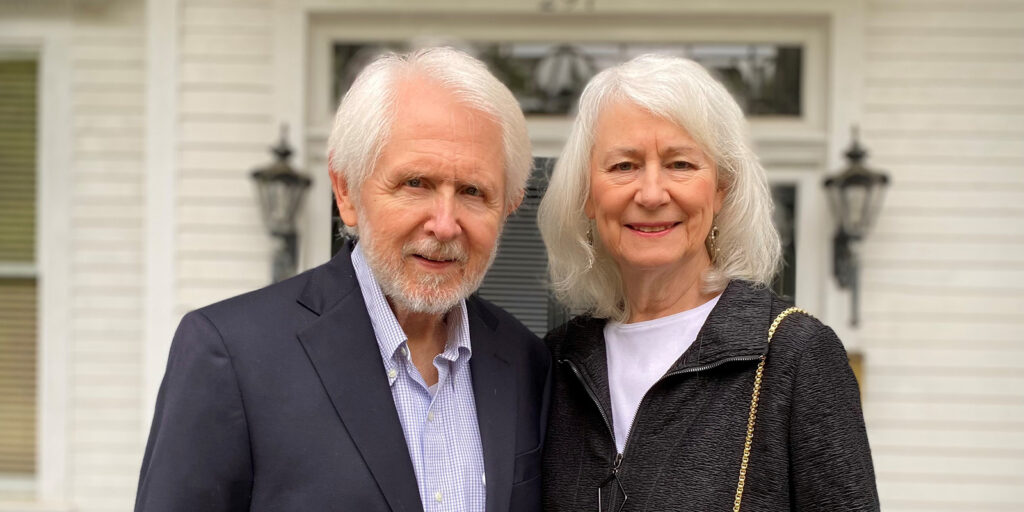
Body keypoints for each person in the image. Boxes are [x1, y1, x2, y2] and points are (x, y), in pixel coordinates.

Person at [136, 47, 550, 512]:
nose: (445, 224)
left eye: (474, 192)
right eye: (416, 183)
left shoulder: (525, 360)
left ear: (509, 206)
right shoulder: (233, 355)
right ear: (346, 192)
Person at [537, 54, 879, 511]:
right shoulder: (557, 362)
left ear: (721, 189)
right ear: (587, 195)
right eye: (623, 166)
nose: (653, 193)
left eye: (680, 164)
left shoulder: (794, 356)